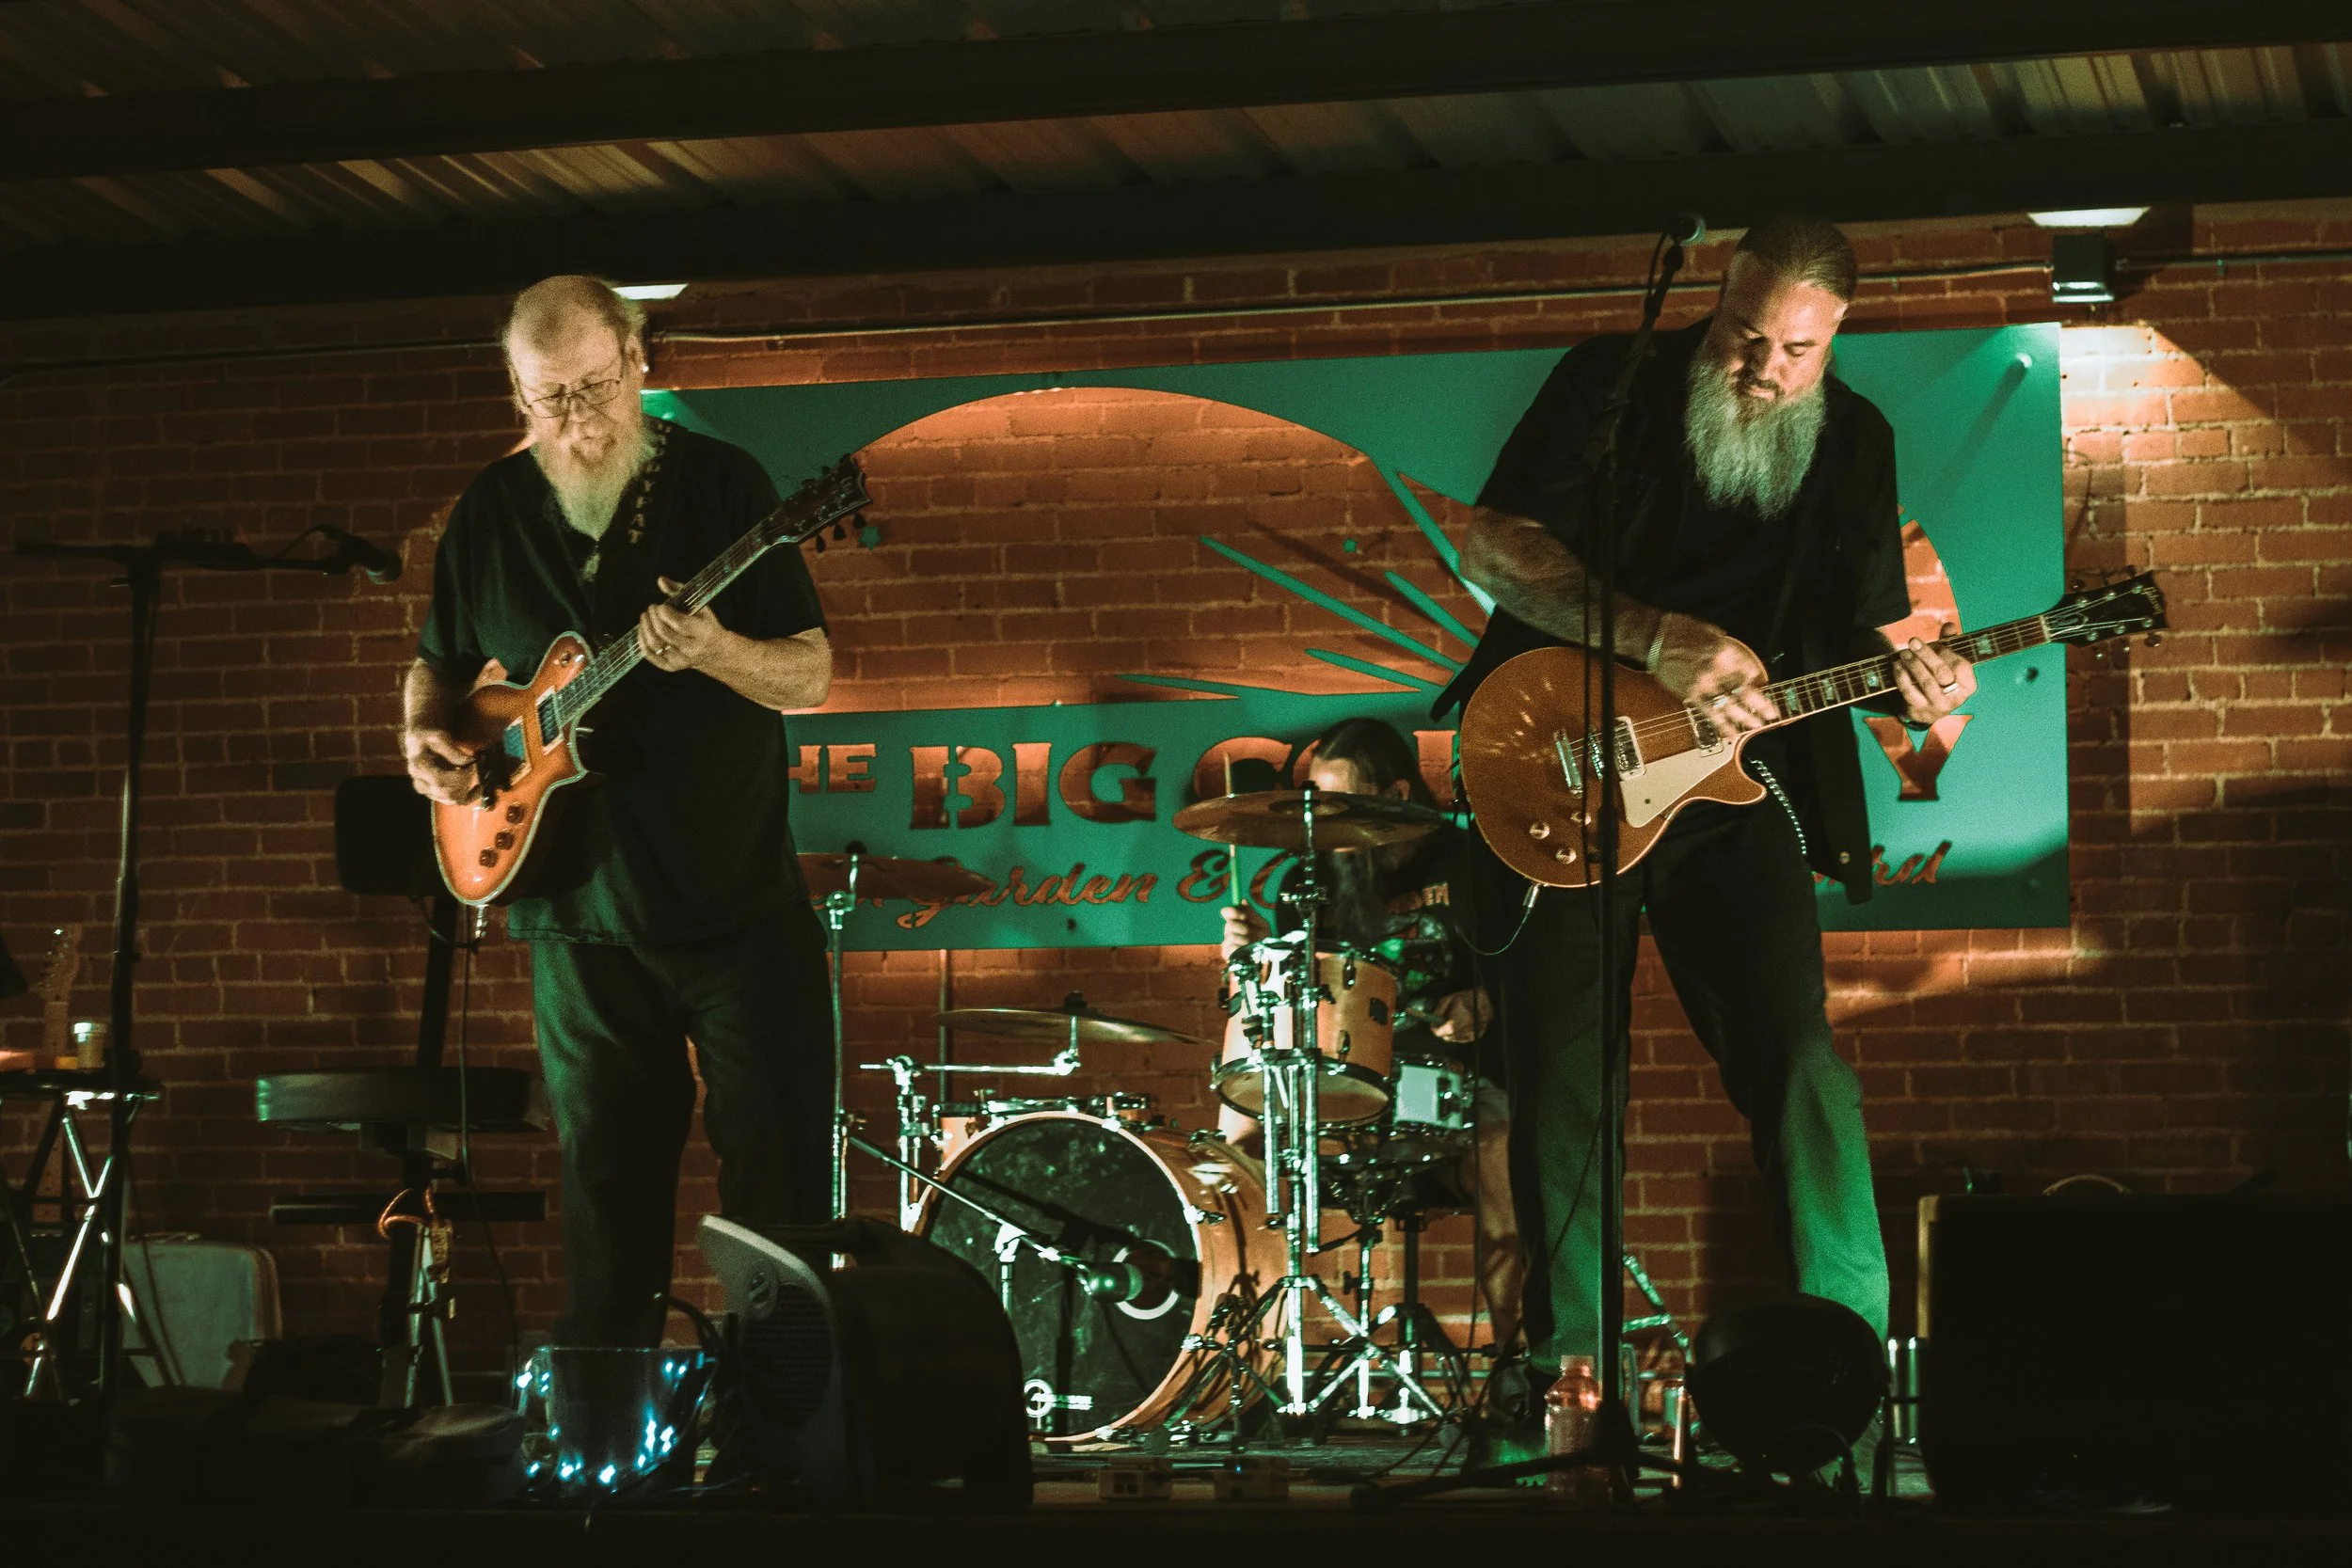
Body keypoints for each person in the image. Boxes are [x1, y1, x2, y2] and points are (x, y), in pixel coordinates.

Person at [1435, 215, 1976, 1372]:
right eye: (1744, 335)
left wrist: (1914, 682)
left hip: (1735, 783)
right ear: (1716, 303)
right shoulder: (1611, 383)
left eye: (1798, 349)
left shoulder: (1854, 439)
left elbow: (1856, 624)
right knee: (1565, 1081)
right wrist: (1652, 636)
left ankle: (1843, 1365)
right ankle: (1574, 1380)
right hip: (1567, 761)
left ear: (1835, 336)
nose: (1765, 369)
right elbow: (1492, 545)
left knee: (1798, 1055)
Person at [401, 276, 836, 1347]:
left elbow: (810, 672)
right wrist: (421, 740)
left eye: (593, 386)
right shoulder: (489, 511)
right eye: (547, 396)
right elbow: (439, 665)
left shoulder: (723, 484)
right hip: (573, 913)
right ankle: (606, 1423)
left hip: (733, 901)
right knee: (604, 1201)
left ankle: (781, 1410)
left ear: (639, 360)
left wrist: (718, 650)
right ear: (517, 392)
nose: (575, 416)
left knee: (777, 1187)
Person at [1216, 718, 1522, 1350]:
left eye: (1342, 806)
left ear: (1396, 794)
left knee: (1501, 1153)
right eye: (1320, 805)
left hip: (1459, 1089)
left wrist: (1490, 998)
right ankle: (1246, 1351)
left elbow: (1534, 970)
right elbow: (1290, 1007)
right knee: (1239, 1149)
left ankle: (1514, 1360)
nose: (1327, 824)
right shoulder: (1308, 883)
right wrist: (1254, 958)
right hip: (1348, 1091)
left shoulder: (1472, 863)